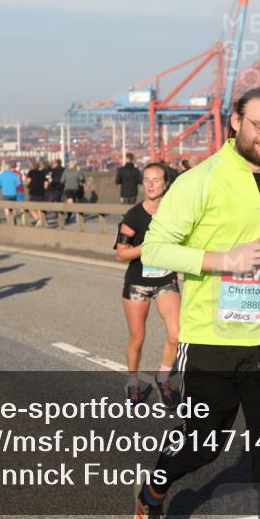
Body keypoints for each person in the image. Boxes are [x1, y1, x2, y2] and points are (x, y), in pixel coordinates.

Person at [133, 87, 260, 519]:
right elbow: (155, 249)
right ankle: (152, 493)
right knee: (202, 446)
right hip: (212, 339)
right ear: (234, 122)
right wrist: (222, 260)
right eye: (259, 126)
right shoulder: (201, 180)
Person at [115, 163, 180, 408]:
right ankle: (132, 383)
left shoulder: (173, 213)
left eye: (156, 179)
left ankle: (163, 378)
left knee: (177, 334)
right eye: (147, 179)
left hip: (165, 279)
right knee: (137, 338)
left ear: (166, 183)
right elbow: (121, 254)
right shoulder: (133, 216)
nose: (151, 184)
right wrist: (147, 247)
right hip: (138, 283)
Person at [26, 160, 49, 225]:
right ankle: (41, 220)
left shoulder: (31, 172)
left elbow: (28, 181)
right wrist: (44, 189)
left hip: (33, 191)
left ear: (32, 166)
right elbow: (46, 183)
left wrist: (27, 185)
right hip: (41, 192)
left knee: (31, 207)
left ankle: (38, 219)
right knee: (39, 207)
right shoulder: (42, 173)